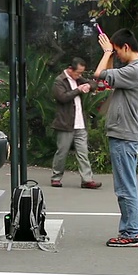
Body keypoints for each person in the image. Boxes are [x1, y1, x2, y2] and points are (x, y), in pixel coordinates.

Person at [94, 28, 138, 248]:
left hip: (125, 135)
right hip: (125, 134)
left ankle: (131, 233)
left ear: (126, 47)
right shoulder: (133, 71)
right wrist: (109, 54)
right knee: (126, 186)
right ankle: (130, 231)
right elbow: (108, 80)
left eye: (117, 52)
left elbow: (99, 75)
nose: (115, 56)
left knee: (125, 187)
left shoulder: (135, 71)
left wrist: (106, 52)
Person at [50, 57, 101, 189]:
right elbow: (62, 97)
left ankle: (87, 179)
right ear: (70, 69)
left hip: (80, 123)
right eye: (78, 72)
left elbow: (94, 84)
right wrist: (78, 90)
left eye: (81, 73)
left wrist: (88, 85)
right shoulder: (59, 81)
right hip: (65, 123)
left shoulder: (79, 78)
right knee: (62, 152)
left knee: (83, 152)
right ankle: (56, 177)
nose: (80, 75)